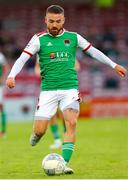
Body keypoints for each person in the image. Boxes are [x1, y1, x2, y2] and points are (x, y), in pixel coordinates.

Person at [6, 5, 127, 174]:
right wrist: (12, 75)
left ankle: (63, 163)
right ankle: (36, 135)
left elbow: (94, 52)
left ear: (63, 20)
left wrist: (114, 65)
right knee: (40, 130)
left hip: (70, 88)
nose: (54, 25)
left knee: (71, 123)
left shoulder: (74, 37)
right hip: (48, 90)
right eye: (51, 21)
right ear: (45, 20)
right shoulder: (38, 39)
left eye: (58, 21)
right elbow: (22, 59)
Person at [34, 58, 80, 150]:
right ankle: (57, 140)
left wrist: (64, 72)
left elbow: (77, 66)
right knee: (52, 114)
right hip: (50, 87)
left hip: (65, 87)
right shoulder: (42, 51)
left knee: (65, 114)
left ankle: (65, 137)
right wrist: (45, 73)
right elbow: (37, 69)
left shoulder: (65, 49)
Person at [0, 51, 8, 137]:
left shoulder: (0, 56)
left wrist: (3, 78)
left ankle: (3, 131)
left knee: (1, 106)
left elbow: (5, 67)